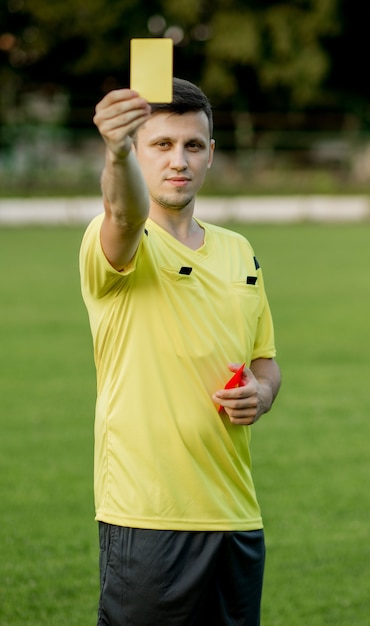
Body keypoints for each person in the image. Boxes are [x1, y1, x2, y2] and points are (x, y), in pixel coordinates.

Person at [80, 77, 282, 626]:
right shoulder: (120, 238)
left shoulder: (239, 249)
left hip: (237, 517)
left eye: (192, 145)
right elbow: (123, 213)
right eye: (161, 145)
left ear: (211, 154)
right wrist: (116, 151)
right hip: (149, 519)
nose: (179, 160)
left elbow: (265, 359)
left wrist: (260, 394)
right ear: (138, 153)